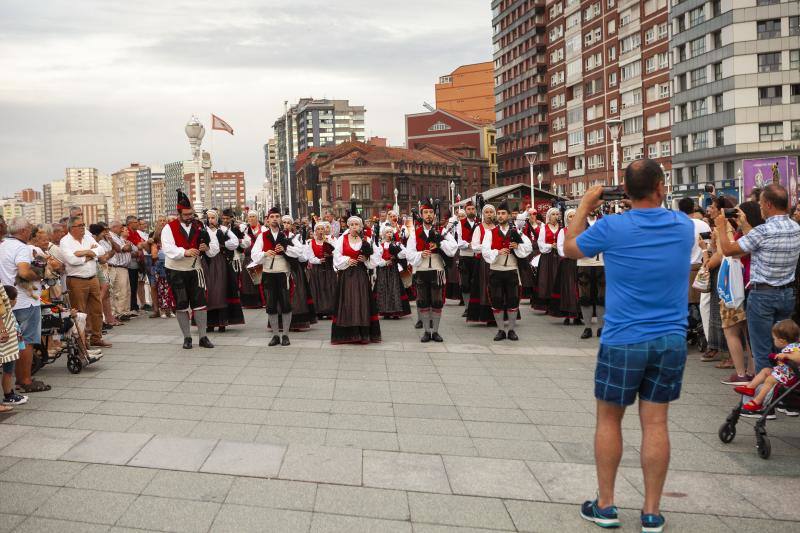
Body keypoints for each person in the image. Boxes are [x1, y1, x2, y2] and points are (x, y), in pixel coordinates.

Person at [563, 159, 694, 533]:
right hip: (669, 338)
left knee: (609, 419)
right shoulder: (683, 226)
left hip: (623, 338)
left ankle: (605, 505)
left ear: (625, 189)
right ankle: (651, 512)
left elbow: (570, 248)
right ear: (660, 187)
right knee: (656, 422)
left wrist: (585, 206)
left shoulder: (612, 226)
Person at [716, 183, 800, 373]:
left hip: (762, 295)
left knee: (761, 351)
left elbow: (729, 250)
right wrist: (745, 225)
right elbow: (758, 243)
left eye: (761, 203)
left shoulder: (763, 231)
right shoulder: (795, 227)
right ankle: (781, 390)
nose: (760, 207)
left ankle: (764, 395)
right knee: (782, 347)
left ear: (769, 204)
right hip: (786, 294)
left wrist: (721, 227)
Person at [160, 190, 216, 350]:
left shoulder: (200, 226)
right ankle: (187, 338)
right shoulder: (168, 228)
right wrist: (185, 252)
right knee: (181, 305)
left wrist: (206, 248)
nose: (189, 217)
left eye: (191, 213)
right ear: (179, 214)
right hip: (176, 271)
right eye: (186, 214)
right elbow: (168, 248)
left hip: (195, 270)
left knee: (200, 304)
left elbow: (213, 248)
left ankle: (203, 337)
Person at [0, 217, 50, 393]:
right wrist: (38, 275)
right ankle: (25, 380)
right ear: (23, 231)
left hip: (8, 300)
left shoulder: (3, 244)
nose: (31, 231)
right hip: (25, 301)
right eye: (29, 228)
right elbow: (23, 271)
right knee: (26, 342)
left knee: (14, 342)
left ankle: (14, 379)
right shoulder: (21, 247)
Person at [405, 201, 458, 342]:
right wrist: (420, 254)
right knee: (423, 301)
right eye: (426, 213)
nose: (428, 215)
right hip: (421, 269)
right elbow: (409, 254)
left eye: (431, 213)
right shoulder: (415, 234)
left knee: (436, 301)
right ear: (421, 215)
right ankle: (426, 332)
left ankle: (435, 331)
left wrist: (440, 243)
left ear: (434, 215)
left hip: (437, 269)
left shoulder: (441, 231)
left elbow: (453, 248)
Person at [480, 201, 532, 341]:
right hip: (496, 270)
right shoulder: (490, 233)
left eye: (503, 213)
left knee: (513, 301)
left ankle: (511, 330)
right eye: (499, 214)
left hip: (511, 270)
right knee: (496, 301)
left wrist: (517, 247)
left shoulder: (516, 231)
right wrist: (497, 251)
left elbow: (528, 248)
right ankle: (500, 330)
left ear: (509, 215)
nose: (501, 216)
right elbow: (485, 251)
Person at [250, 207, 301, 346]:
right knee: (271, 305)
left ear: (280, 219)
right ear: (267, 219)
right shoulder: (262, 236)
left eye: (277, 216)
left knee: (286, 304)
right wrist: (265, 253)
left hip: (283, 273)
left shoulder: (287, 235)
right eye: (272, 217)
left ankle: (285, 335)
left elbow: (300, 252)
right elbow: (254, 255)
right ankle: (275, 335)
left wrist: (286, 249)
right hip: (268, 274)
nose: (274, 219)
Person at [59, 216, 110, 348]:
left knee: (97, 310)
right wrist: (91, 255)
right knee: (80, 312)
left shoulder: (88, 237)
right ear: (71, 228)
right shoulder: (65, 241)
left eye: (83, 224)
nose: (83, 227)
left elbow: (101, 251)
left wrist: (86, 252)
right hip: (76, 281)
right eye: (80, 225)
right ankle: (82, 340)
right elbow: (72, 260)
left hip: (93, 278)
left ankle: (96, 337)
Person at [330, 215, 382, 344]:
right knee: (347, 301)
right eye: (352, 224)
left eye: (356, 224)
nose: (354, 227)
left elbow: (376, 257)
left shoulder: (366, 240)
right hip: (346, 275)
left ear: (360, 226)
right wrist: (347, 260)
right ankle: (348, 334)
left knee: (361, 301)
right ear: (348, 226)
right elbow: (336, 256)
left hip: (361, 275)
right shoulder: (342, 239)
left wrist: (366, 259)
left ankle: (362, 333)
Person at [734, 319, 799, 413]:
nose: (774, 341)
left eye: (774, 339)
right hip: (784, 373)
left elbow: (798, 357)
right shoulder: (791, 346)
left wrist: (787, 356)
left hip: (790, 376)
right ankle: (750, 388)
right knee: (765, 370)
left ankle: (758, 401)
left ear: (781, 341)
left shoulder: (795, 347)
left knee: (770, 379)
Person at [201, 210, 245, 332]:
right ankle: (209, 323)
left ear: (217, 219)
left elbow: (235, 242)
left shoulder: (223, 229)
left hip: (220, 262)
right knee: (208, 290)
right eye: (209, 218)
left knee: (220, 290)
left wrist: (222, 244)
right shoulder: (203, 230)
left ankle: (222, 322)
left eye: (213, 218)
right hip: (207, 263)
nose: (211, 220)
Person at [281, 215, 316, 332]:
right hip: (280, 269)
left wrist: (286, 248)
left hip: (294, 270)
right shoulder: (277, 236)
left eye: (288, 223)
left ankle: (296, 321)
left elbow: (300, 254)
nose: (286, 224)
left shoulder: (297, 238)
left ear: (291, 225)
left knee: (296, 295)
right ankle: (281, 322)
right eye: (284, 222)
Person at [465, 204, 497, 326]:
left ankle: (497, 314)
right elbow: (474, 246)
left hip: (495, 261)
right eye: (487, 212)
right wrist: (487, 247)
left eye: (491, 212)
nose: (489, 214)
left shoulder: (498, 228)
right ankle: (486, 315)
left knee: (496, 288)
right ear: (483, 214)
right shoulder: (479, 228)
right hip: (483, 262)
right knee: (484, 287)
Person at [374, 225, 411, 319]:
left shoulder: (397, 244)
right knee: (384, 289)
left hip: (394, 269)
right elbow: (377, 258)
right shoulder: (380, 245)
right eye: (387, 232)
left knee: (394, 289)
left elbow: (405, 253)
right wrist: (384, 262)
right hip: (383, 270)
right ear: (383, 234)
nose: (389, 234)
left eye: (391, 232)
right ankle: (385, 311)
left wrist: (397, 255)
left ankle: (395, 311)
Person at [556, 209, 583, 325]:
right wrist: (570, 253)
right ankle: (567, 314)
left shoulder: (582, 230)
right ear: (567, 218)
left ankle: (578, 315)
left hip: (579, 261)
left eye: (574, 216)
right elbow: (560, 247)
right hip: (568, 262)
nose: (572, 218)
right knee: (568, 288)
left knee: (579, 287)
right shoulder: (563, 231)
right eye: (570, 216)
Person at [305, 221, 337, 318]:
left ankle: (330, 310)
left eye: (322, 229)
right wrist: (318, 260)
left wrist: (331, 255)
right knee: (317, 289)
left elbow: (337, 253)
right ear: (315, 231)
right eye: (318, 229)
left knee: (329, 288)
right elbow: (310, 257)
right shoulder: (311, 243)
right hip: (317, 269)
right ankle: (318, 311)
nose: (320, 231)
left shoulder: (330, 241)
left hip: (328, 268)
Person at [0, 285, 25, 411]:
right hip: (6, 339)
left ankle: (9, 394)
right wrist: (3, 329)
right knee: (7, 370)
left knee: (8, 370)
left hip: (10, 341)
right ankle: (8, 395)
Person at [456, 200, 480, 318]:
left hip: (476, 257)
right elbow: (458, 242)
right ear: (465, 211)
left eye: (473, 209)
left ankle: (476, 306)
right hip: (465, 256)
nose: (471, 211)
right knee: (465, 283)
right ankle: (466, 308)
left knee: (476, 282)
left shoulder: (479, 223)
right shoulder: (460, 224)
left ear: (475, 210)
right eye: (469, 209)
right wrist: (469, 245)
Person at [535, 207, 561, 313]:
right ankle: (547, 304)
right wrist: (551, 246)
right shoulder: (543, 228)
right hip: (547, 257)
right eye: (553, 214)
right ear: (549, 216)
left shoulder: (562, 228)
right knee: (546, 279)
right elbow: (540, 243)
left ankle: (558, 303)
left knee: (557, 278)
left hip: (559, 257)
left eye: (557, 214)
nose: (555, 216)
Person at [106, 220, 133, 321]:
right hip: (117, 267)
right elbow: (122, 249)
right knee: (119, 291)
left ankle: (125, 311)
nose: (122, 229)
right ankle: (119, 313)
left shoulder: (119, 237)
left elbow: (130, 248)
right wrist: (126, 247)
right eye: (120, 227)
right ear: (114, 227)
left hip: (124, 267)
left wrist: (127, 247)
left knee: (126, 291)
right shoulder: (111, 236)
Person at [239, 212, 266, 309]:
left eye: (253, 216)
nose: (251, 218)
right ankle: (249, 302)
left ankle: (260, 301)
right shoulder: (245, 230)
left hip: (259, 258)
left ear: (257, 218)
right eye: (249, 217)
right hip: (248, 258)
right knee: (247, 281)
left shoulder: (263, 229)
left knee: (259, 280)